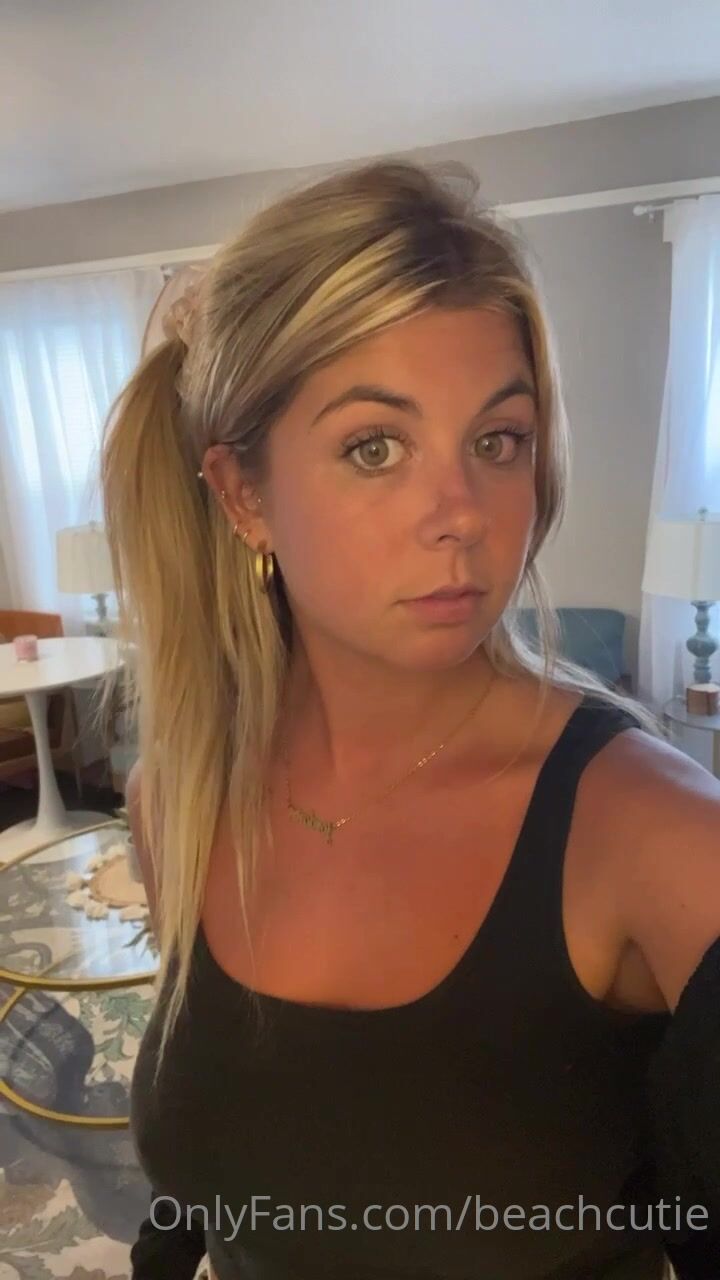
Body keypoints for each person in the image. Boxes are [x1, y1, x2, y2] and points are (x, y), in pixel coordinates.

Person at [99, 159, 720, 1279]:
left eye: (498, 440)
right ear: (243, 494)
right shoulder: (178, 801)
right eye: (375, 447)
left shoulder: (650, 831)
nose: (462, 515)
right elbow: (209, 1166)